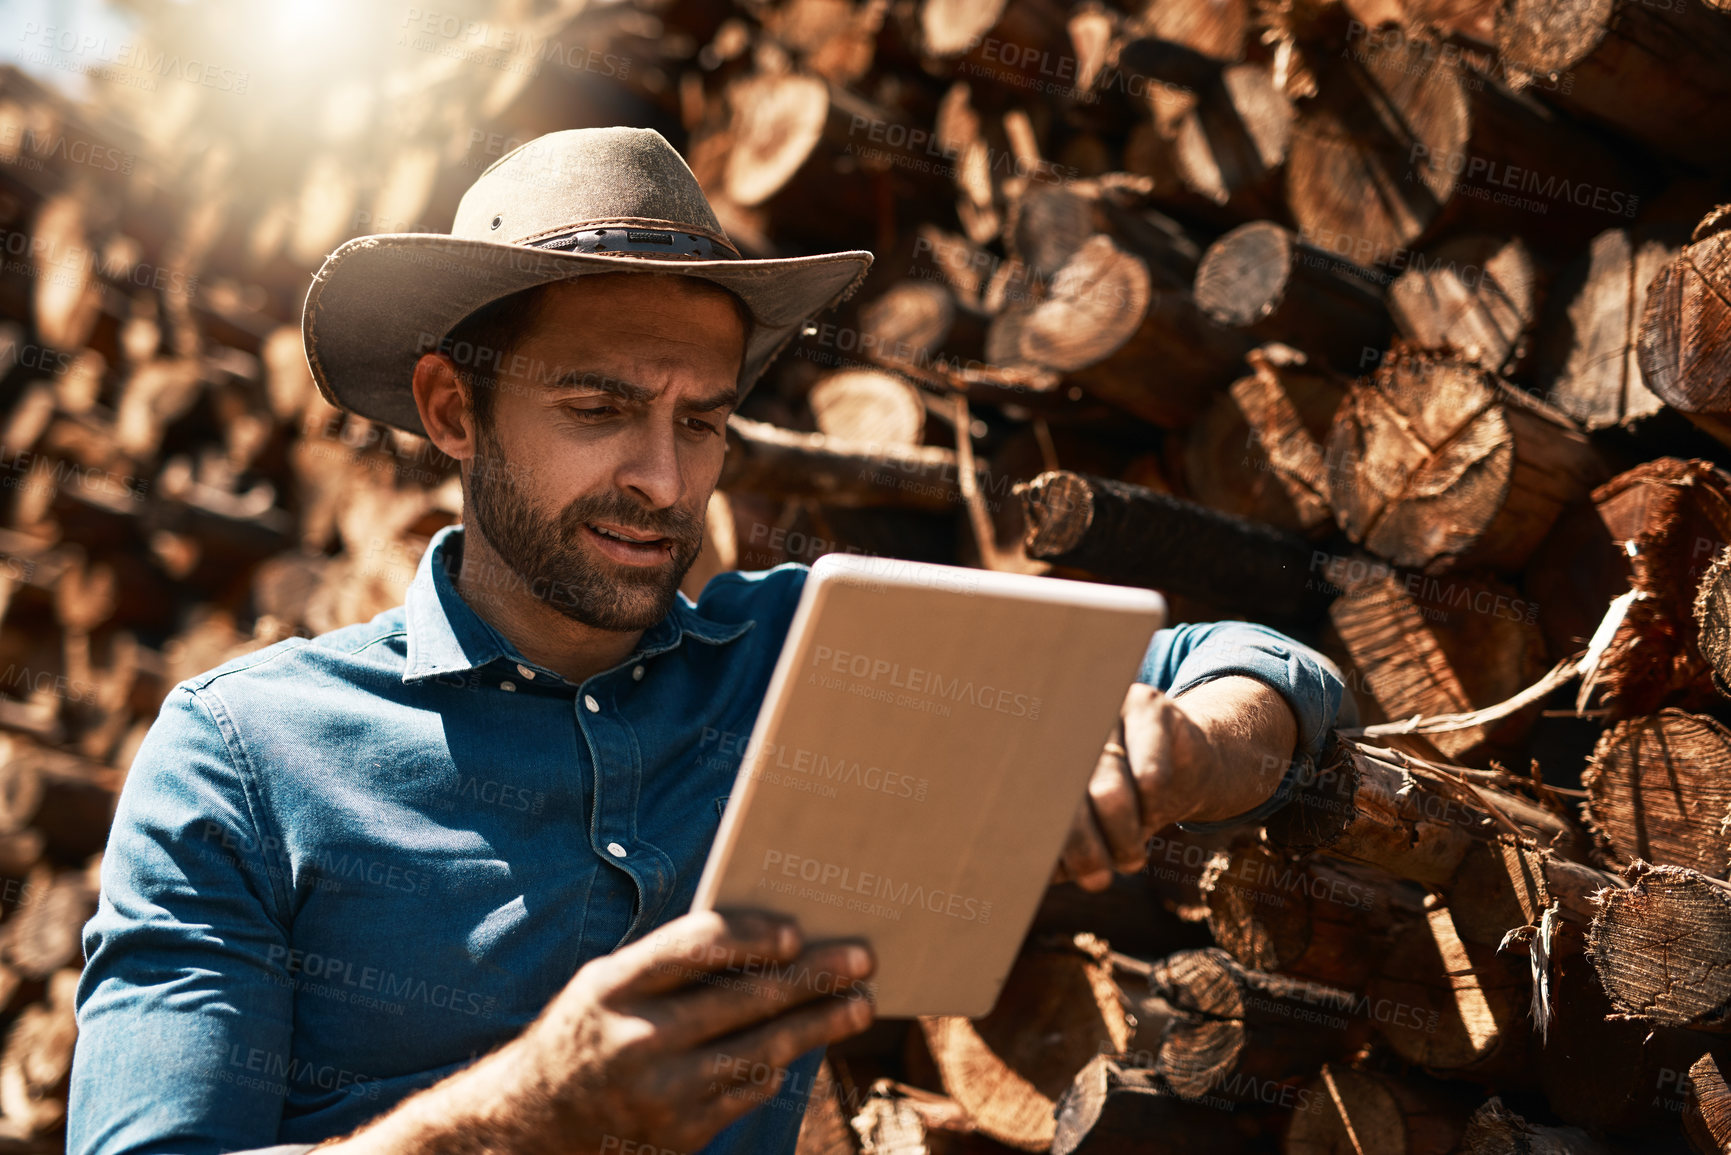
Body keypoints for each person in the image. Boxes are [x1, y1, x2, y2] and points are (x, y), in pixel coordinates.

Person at [67, 127, 1346, 1155]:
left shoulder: (808, 652)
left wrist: (1179, 745)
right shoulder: (242, 755)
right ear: (454, 409)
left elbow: (1271, 673)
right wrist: (528, 1118)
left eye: (704, 421)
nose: (666, 482)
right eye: (600, 408)